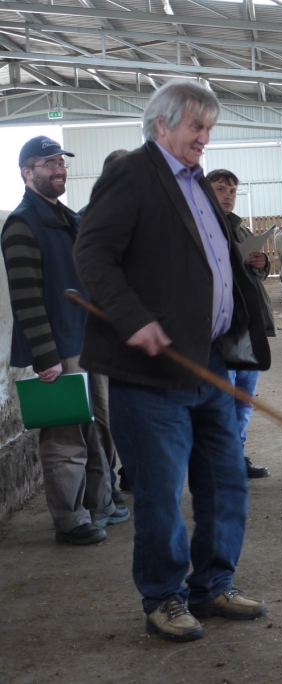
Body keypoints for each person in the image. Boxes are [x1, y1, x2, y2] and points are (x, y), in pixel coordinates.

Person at [74, 80, 271, 642]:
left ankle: (213, 583)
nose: (204, 138)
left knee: (225, 477)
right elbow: (92, 253)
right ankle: (164, 595)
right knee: (161, 490)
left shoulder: (196, 183)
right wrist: (133, 318)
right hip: (152, 373)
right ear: (162, 125)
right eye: (196, 127)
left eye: (208, 128)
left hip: (209, 361)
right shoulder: (133, 173)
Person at [1, 136, 129, 545]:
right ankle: (70, 518)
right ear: (27, 172)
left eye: (61, 161)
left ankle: (100, 502)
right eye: (48, 162)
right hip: (59, 347)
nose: (59, 168)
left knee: (98, 427)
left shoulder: (68, 218)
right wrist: (45, 356)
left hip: (88, 342)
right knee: (63, 435)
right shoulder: (22, 224)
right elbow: (25, 297)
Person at [207, 168, 273, 480]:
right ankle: (221, 460)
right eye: (220, 189)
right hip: (220, 329)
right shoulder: (197, 229)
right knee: (223, 397)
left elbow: (254, 276)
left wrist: (262, 264)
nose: (227, 196)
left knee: (243, 398)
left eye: (232, 191)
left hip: (248, 326)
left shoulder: (241, 230)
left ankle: (236, 456)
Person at [79, 147, 131, 503]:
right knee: (104, 415)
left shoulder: (142, 220)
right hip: (102, 332)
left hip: (134, 332)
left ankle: (130, 472)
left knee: (131, 409)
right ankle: (106, 485)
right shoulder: (83, 221)